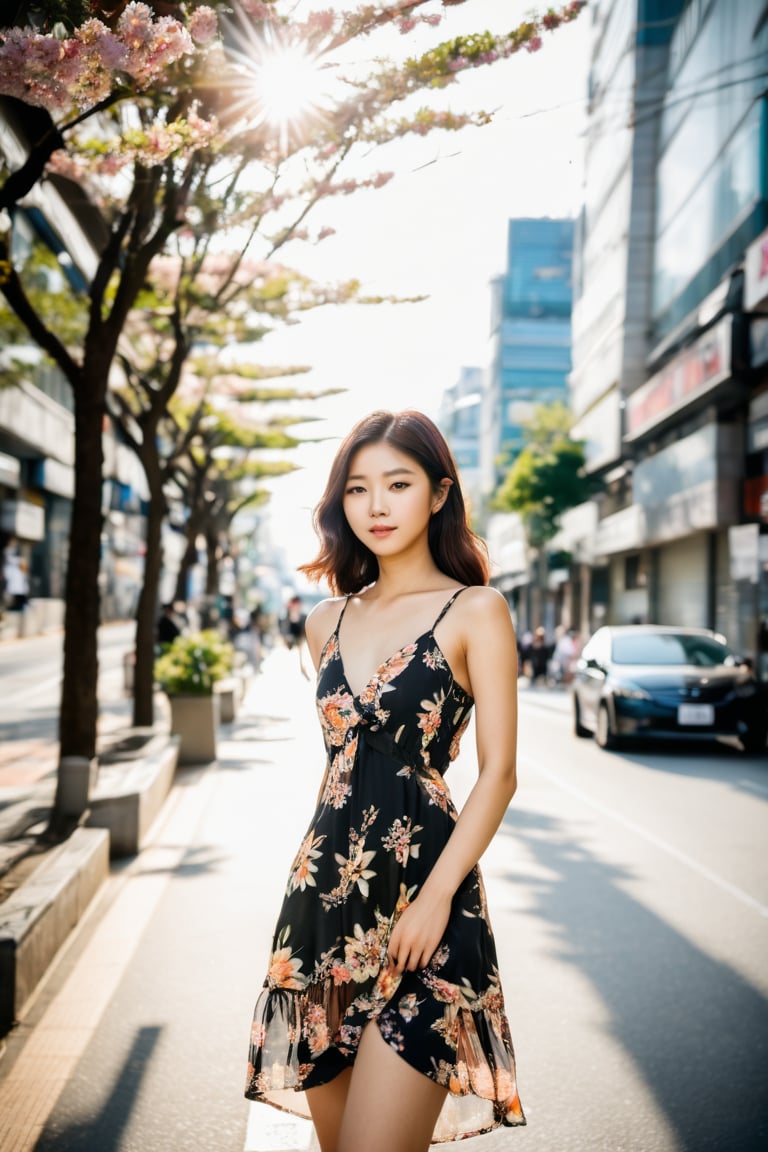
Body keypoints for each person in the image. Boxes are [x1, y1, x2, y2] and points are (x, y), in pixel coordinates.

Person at [245, 410, 525, 1152]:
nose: (375, 505)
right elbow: (342, 769)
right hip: (322, 909)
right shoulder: (324, 621)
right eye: (358, 488)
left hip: (427, 914)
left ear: (438, 494)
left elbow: (499, 774)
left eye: (397, 484)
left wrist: (436, 900)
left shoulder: (476, 611)